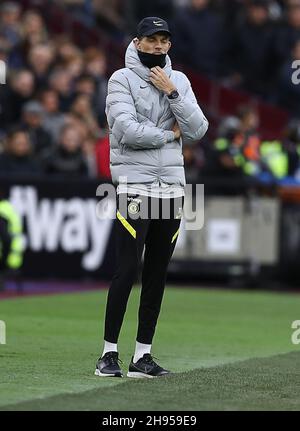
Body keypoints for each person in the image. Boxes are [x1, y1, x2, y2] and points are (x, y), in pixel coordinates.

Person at [95, 17, 208, 378]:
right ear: (137, 42)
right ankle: (108, 354)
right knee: (127, 269)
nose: (159, 46)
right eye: (152, 40)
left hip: (172, 188)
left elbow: (199, 129)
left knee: (157, 272)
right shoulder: (120, 79)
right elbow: (125, 131)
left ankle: (142, 356)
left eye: (164, 40)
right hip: (135, 185)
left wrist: (172, 92)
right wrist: (169, 136)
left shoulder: (181, 81)